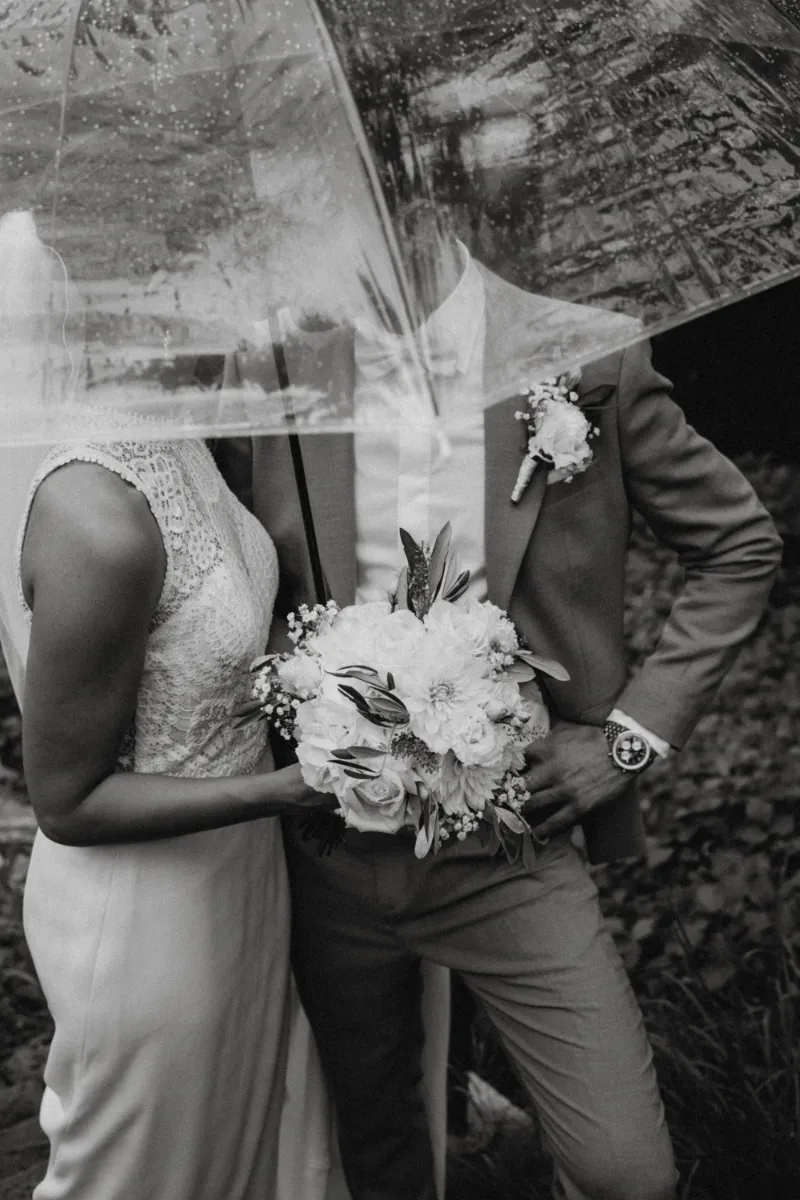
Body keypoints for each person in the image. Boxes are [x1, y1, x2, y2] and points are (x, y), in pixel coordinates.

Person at [219, 200, 784, 1200]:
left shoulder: (585, 358)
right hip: (320, 856)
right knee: (378, 1147)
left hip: (512, 849)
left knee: (626, 1172)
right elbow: (222, 572)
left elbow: (737, 546)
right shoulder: (272, 363)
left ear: (423, 188)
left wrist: (625, 741)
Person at [0, 211, 452, 1200]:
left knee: (237, 1161)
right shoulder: (96, 516)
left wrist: (337, 684)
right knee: (135, 1175)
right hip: (147, 922)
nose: (250, 305)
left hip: (241, 879)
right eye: (218, 280)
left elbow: (212, 635)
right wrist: (291, 788)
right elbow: (68, 802)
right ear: (138, 301)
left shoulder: (181, 434)